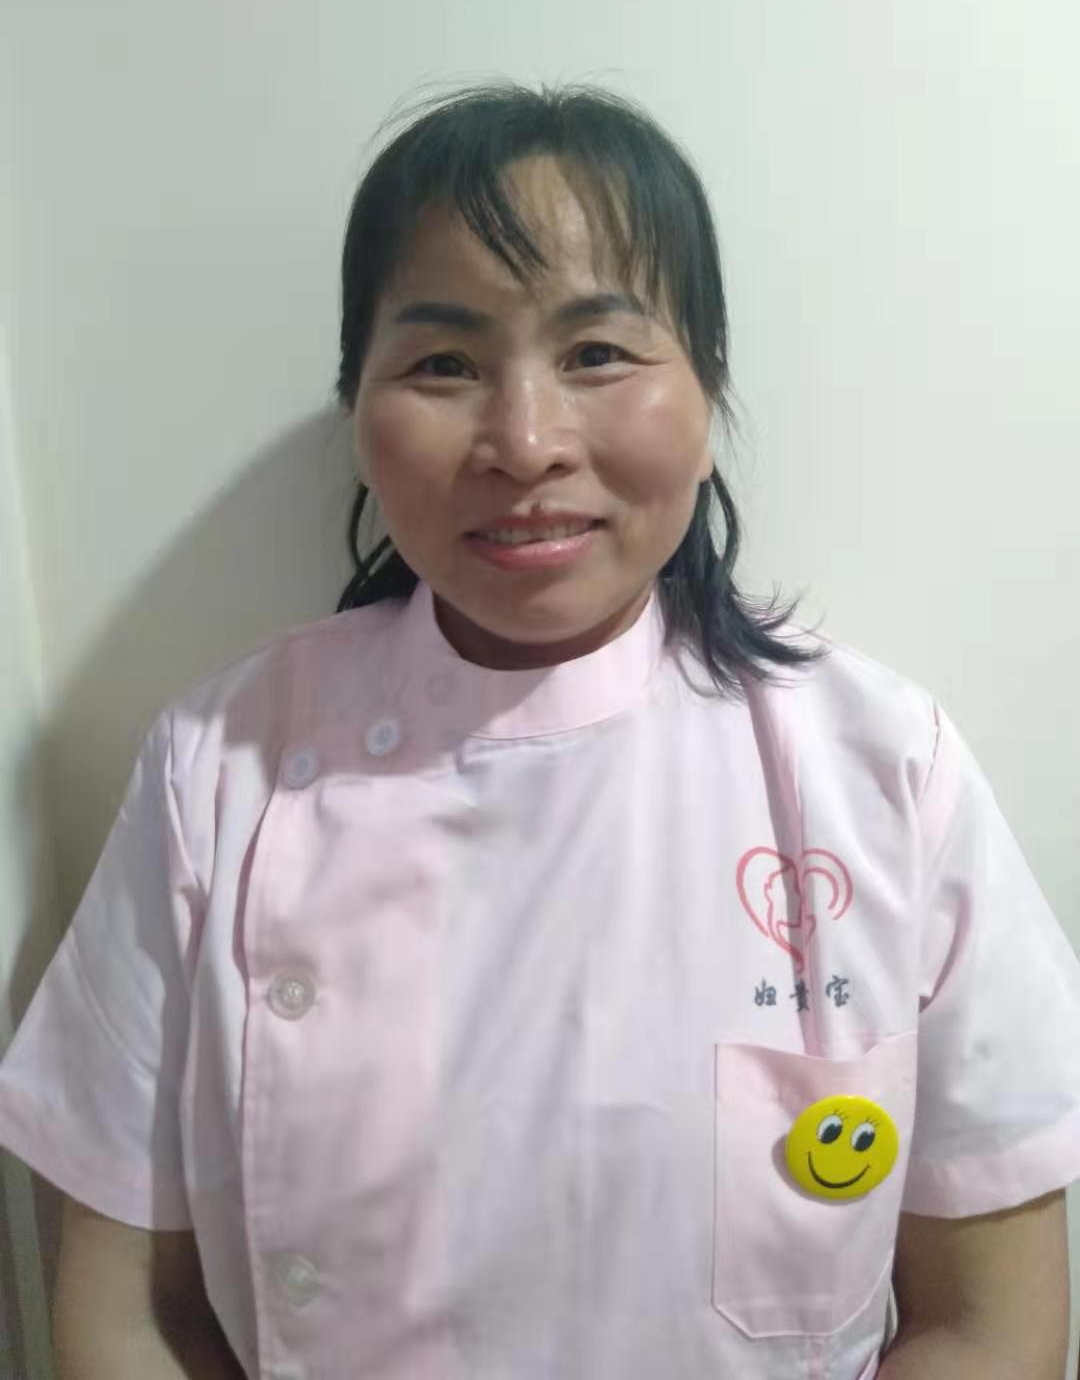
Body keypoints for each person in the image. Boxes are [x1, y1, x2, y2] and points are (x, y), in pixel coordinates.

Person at [0, 82, 1077, 1380]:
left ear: (708, 391)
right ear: (360, 411)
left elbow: (990, 1321)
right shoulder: (216, 769)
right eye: (445, 364)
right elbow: (131, 1313)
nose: (523, 442)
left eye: (598, 353)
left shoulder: (885, 771)